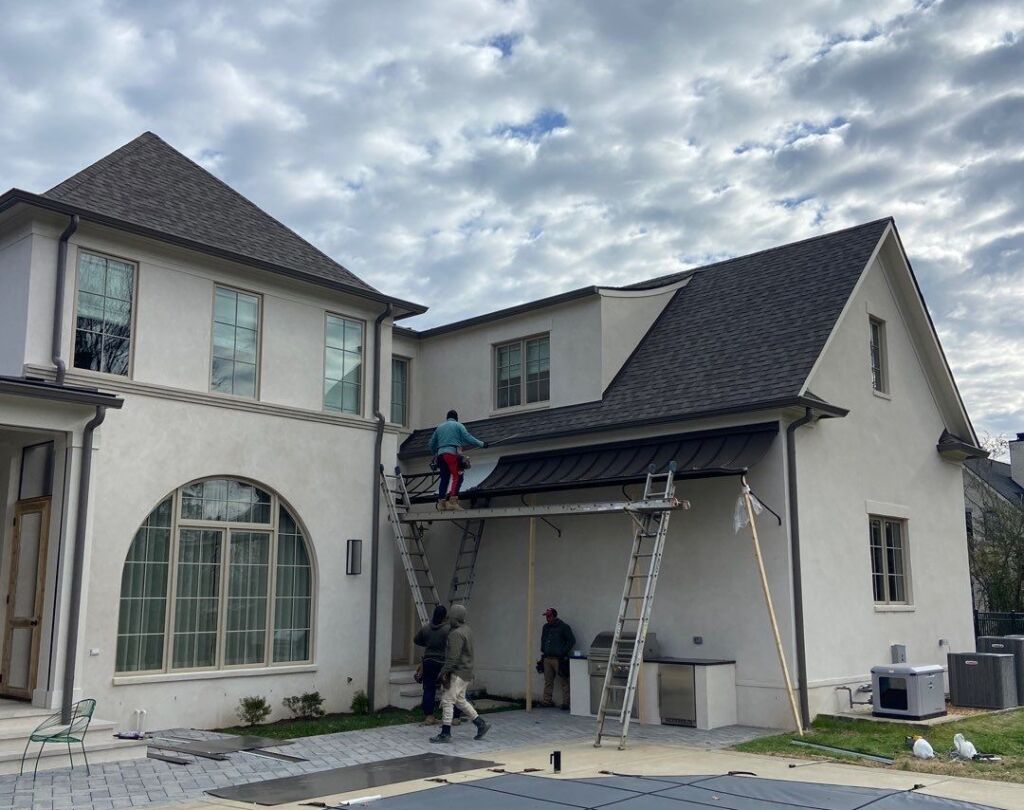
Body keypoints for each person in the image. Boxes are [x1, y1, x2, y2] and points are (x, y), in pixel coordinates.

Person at [430, 604, 490, 743]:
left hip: (457, 672)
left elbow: (453, 658)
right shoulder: (467, 630)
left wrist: (443, 673)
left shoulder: (456, 634)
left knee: (447, 700)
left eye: (450, 616)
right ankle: (481, 724)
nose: (448, 618)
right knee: (460, 701)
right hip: (466, 672)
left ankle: (445, 733)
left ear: (455, 618)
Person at [428, 410, 485, 510]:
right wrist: (482, 444)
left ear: (447, 418)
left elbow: (431, 444)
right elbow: (468, 438)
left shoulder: (439, 427)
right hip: (452, 454)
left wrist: (435, 453)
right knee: (458, 476)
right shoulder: (458, 425)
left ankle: (441, 503)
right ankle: (453, 502)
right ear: (456, 418)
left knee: (444, 478)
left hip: (440, 456)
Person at [413, 605, 450, 725]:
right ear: (444, 616)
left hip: (428, 661)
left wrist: (428, 643)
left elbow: (416, 640)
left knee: (428, 689)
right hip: (442, 662)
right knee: (448, 688)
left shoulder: (426, 628)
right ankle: (451, 717)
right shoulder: (447, 629)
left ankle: (429, 717)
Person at [540, 607, 575, 710]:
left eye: (549, 616)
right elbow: (543, 639)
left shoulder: (564, 627)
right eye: (546, 616)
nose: (547, 618)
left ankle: (566, 702)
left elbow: (571, 641)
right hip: (547, 658)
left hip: (558, 659)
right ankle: (546, 701)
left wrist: (562, 652)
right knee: (548, 681)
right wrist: (543, 649)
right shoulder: (545, 627)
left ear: (555, 616)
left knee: (563, 681)